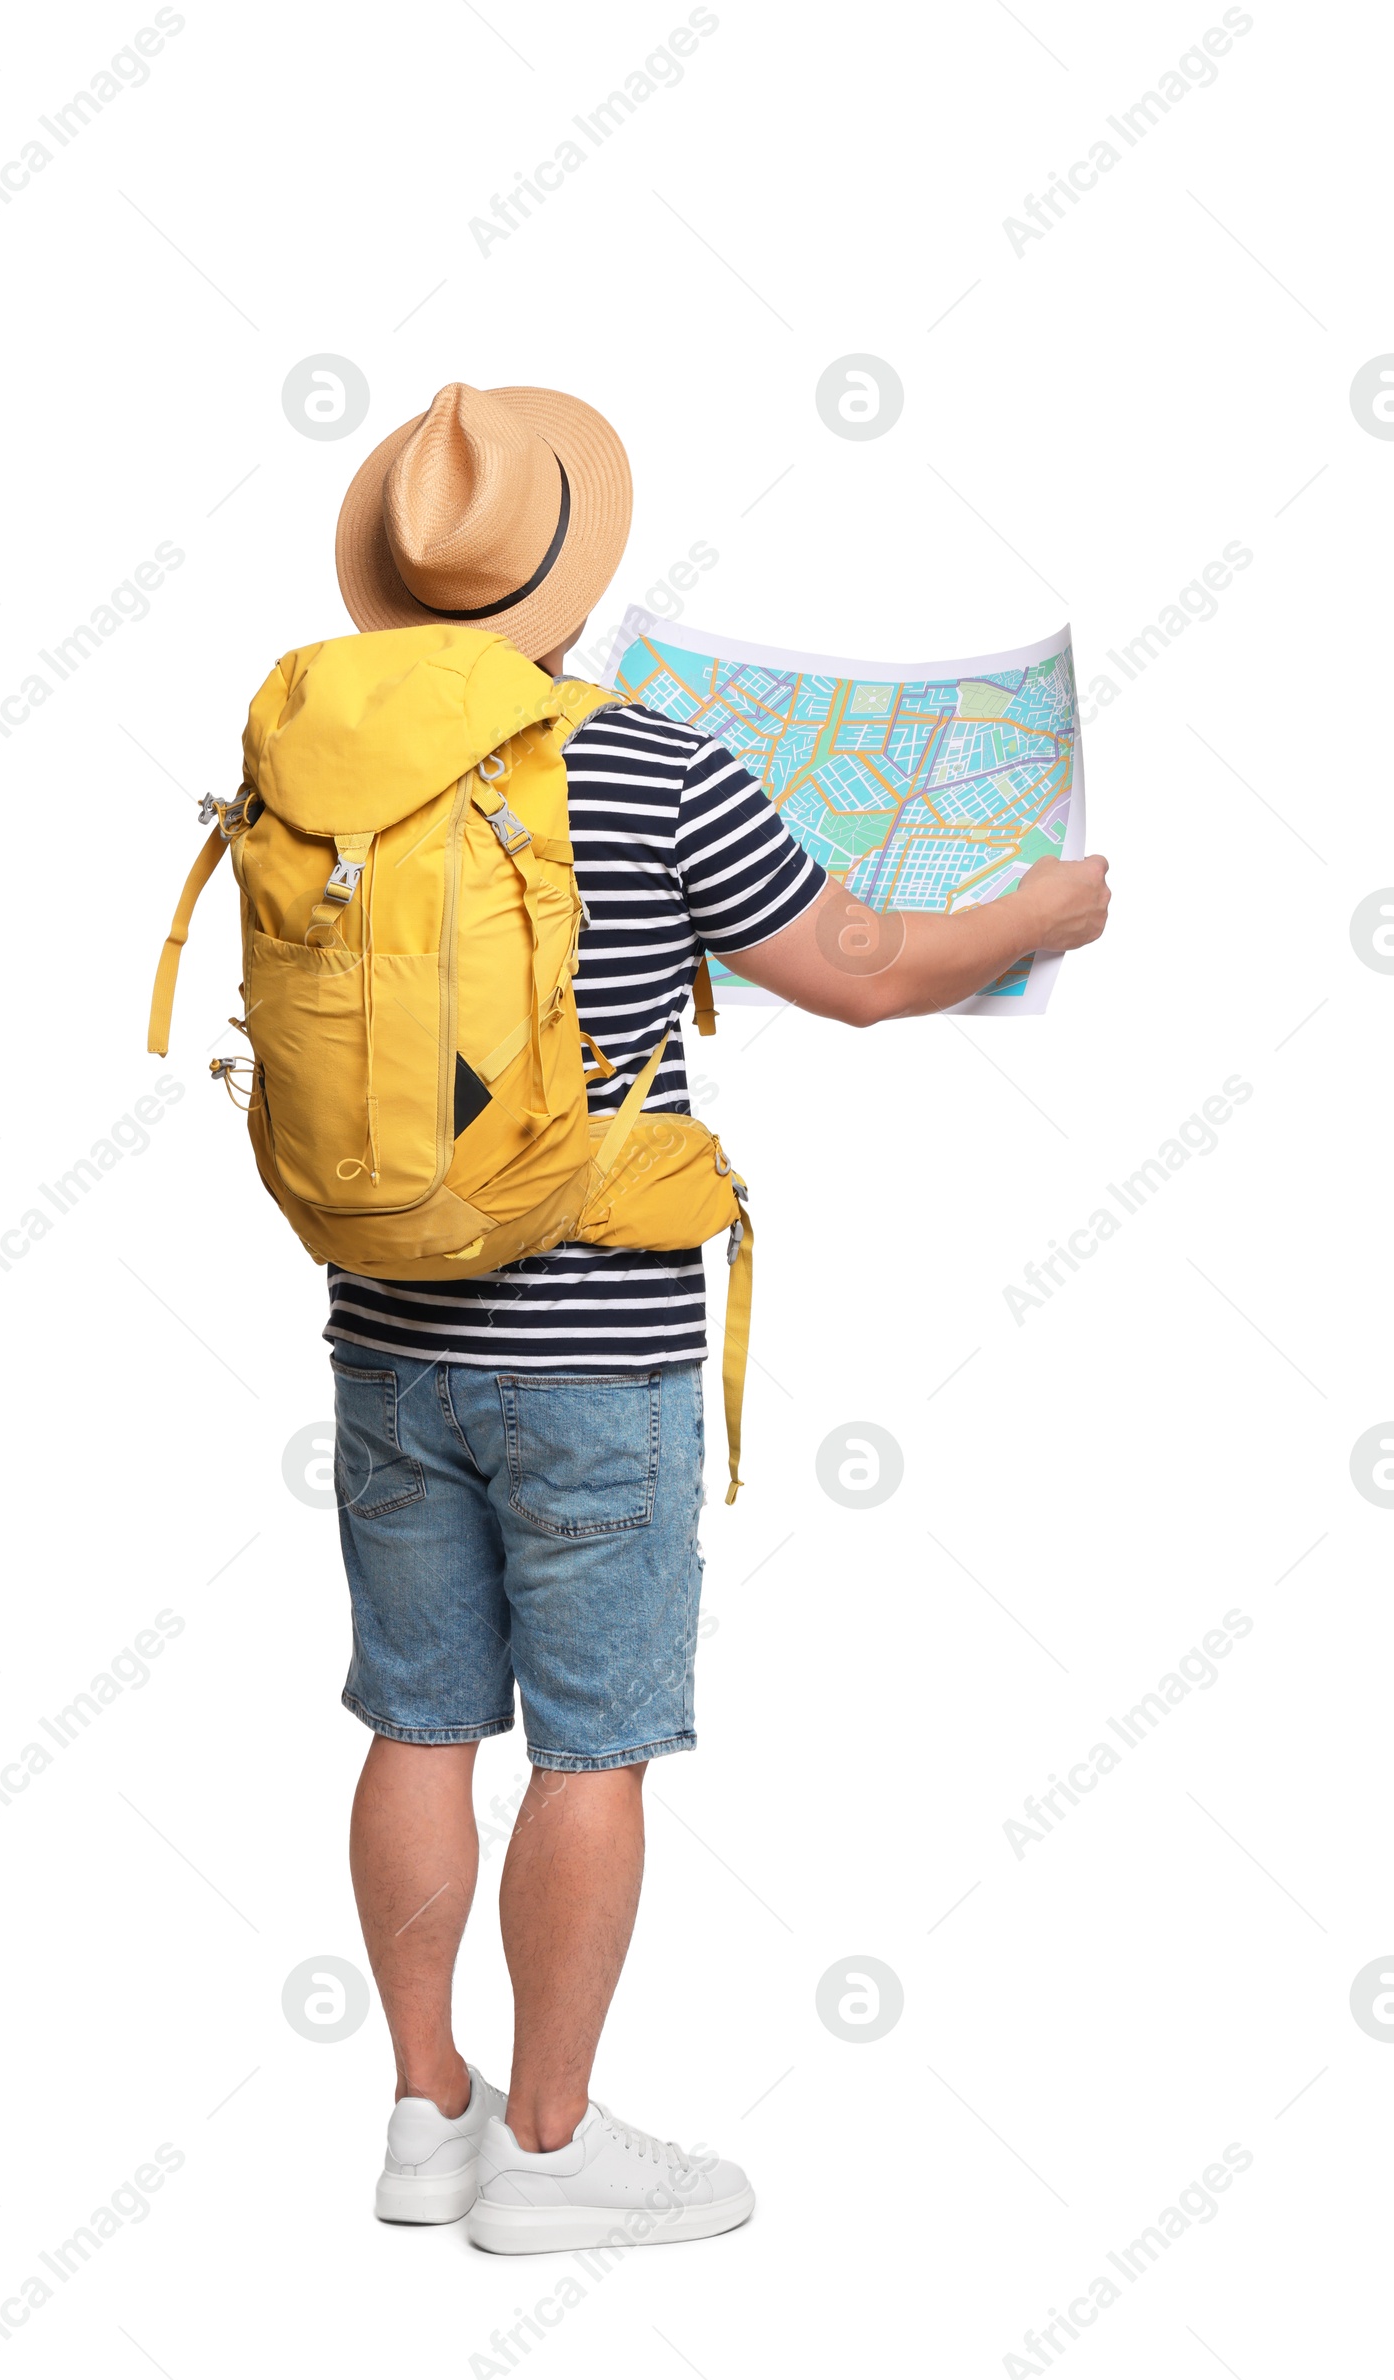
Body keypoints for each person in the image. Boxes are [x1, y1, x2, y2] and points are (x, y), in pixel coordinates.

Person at [327, 382, 1112, 2253]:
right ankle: (549, 2151)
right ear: (564, 591)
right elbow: (866, 978)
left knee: (419, 1721)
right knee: (588, 1749)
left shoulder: (315, 769)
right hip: (598, 1357)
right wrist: (1047, 908)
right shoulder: (650, 760)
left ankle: (425, 2122)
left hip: (386, 1329)